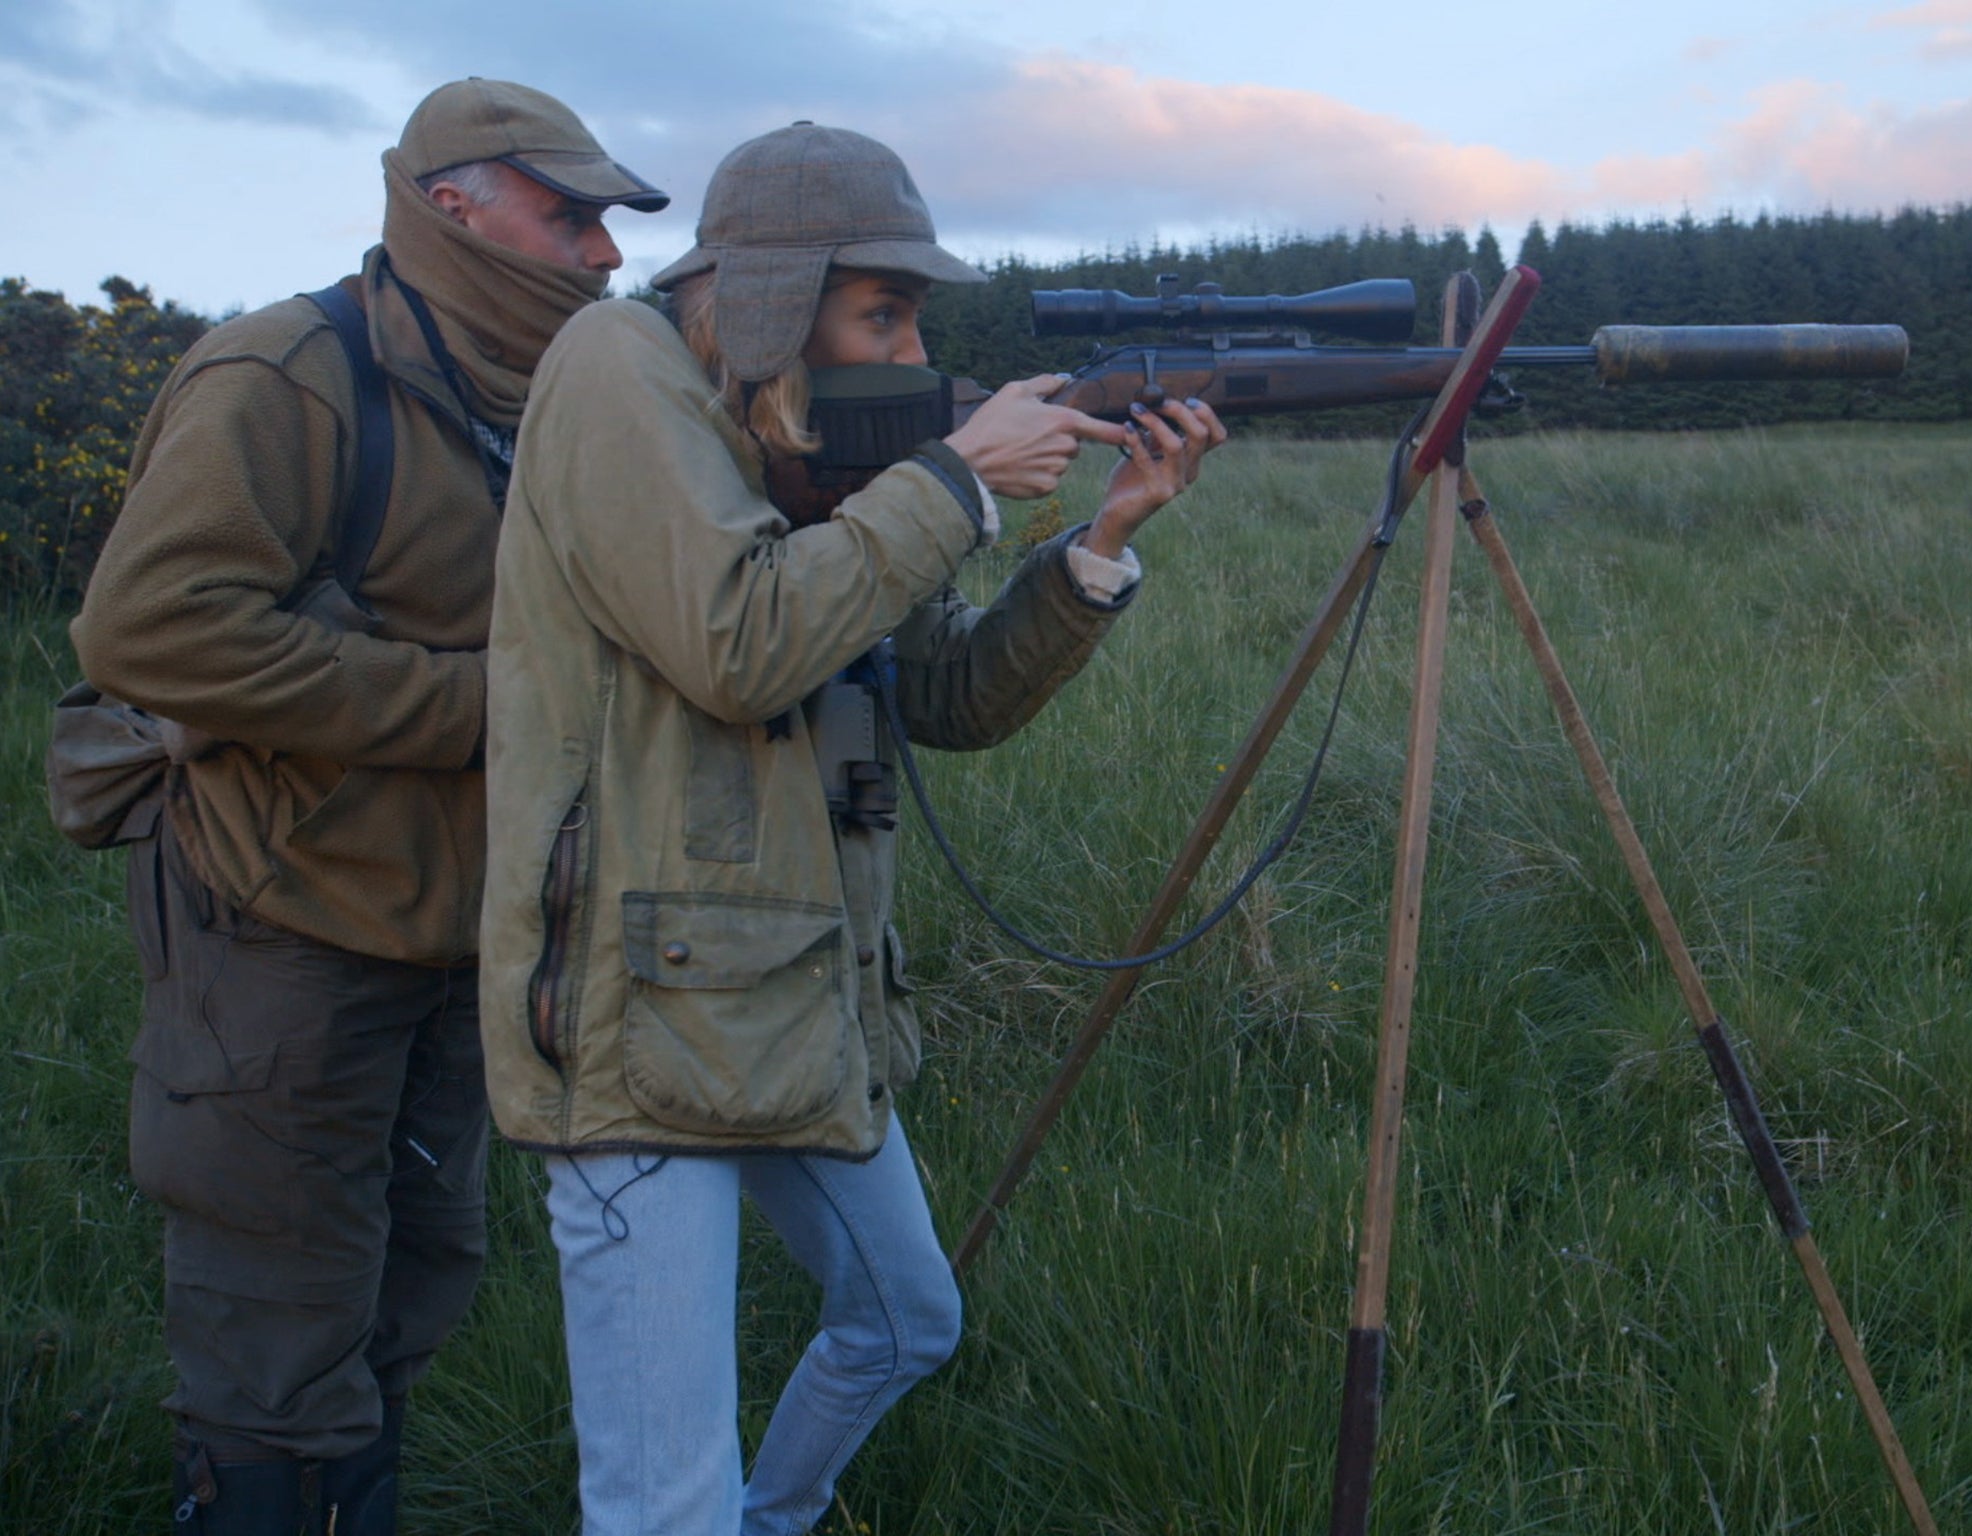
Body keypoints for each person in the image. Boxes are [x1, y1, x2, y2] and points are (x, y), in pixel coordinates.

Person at [479, 122, 1225, 1535]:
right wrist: (948, 481)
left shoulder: (807, 452)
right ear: (764, 298)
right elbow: (744, 642)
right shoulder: (616, 367)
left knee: (904, 1323)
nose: (900, 352)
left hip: (781, 999)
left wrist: (1105, 540)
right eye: (878, 313)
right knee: (658, 1509)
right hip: (640, 1022)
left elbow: (942, 692)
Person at [69, 79, 667, 1534]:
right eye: (567, 213)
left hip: (463, 940)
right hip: (282, 928)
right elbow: (152, 631)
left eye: (608, 223)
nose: (603, 254)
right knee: (277, 1341)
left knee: (407, 1295)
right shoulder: (284, 375)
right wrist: (484, 711)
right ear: (447, 207)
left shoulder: (559, 393)